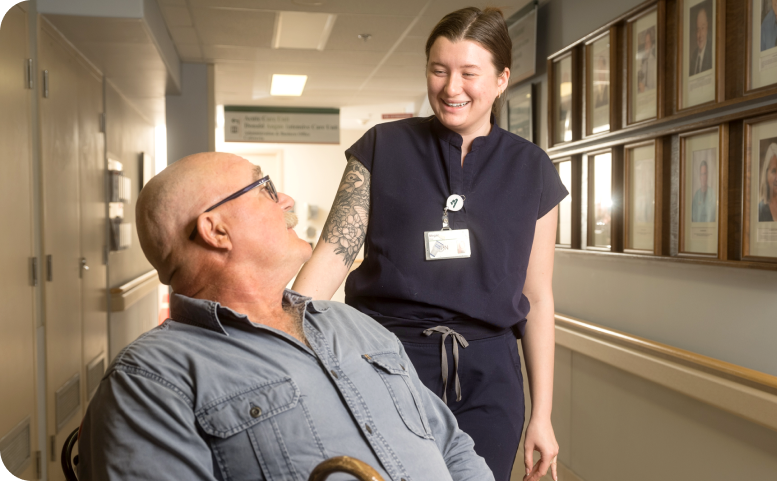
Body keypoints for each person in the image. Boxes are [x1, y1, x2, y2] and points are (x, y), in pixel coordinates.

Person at [78, 152, 494, 481]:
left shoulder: (356, 326)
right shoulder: (149, 382)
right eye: (265, 188)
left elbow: (451, 445)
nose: (287, 200)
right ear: (215, 230)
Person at [293, 7, 567, 481]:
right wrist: (277, 344)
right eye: (438, 70)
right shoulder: (381, 147)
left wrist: (542, 414)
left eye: (468, 73)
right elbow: (332, 255)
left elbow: (537, 299)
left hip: (489, 378)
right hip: (385, 363)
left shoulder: (532, 168)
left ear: (502, 79)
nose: (450, 87)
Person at [689, 4, 712, 76]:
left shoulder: (712, 52)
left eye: (702, 28)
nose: (700, 34)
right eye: (698, 29)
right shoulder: (694, 56)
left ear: (707, 28)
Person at [637, 28, 657, 93]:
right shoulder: (643, 66)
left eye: (648, 42)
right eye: (645, 43)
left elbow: (656, 87)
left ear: (652, 44)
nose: (646, 45)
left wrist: (645, 89)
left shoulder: (655, 62)